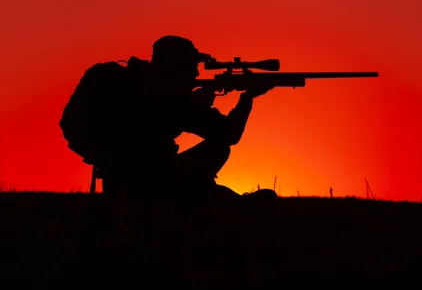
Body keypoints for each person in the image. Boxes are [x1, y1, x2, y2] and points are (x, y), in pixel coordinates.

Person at [60, 35, 277, 202]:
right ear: (174, 68)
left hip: (124, 174)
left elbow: (70, 124)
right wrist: (247, 98)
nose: (195, 74)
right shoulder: (173, 98)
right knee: (215, 172)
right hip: (151, 179)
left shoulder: (108, 76)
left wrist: (100, 156)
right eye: (191, 68)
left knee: (217, 150)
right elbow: (229, 133)